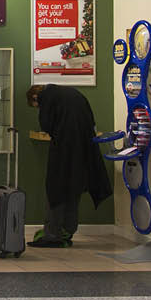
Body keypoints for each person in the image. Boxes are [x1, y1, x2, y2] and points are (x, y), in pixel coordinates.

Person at [26, 84, 112, 248]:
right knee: (74, 188)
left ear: (35, 98)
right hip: (84, 149)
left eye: (36, 106)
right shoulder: (71, 92)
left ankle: (52, 234)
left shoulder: (46, 96)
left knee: (55, 189)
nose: (38, 108)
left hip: (64, 149)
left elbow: (46, 124)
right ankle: (68, 230)